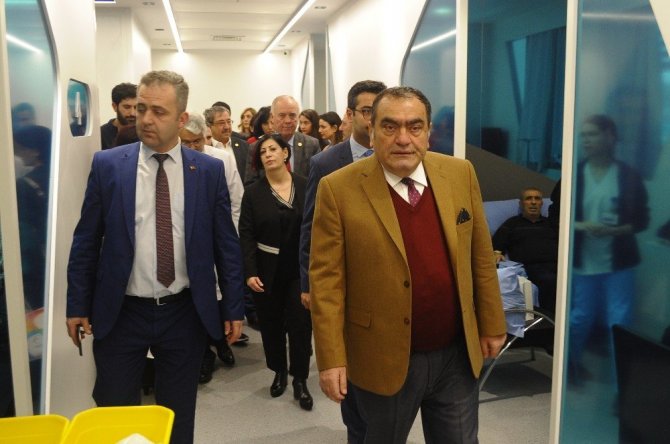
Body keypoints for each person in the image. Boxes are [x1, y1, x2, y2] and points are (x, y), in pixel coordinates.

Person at [309, 86, 507, 443]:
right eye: (390, 126)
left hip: (456, 354)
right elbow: (326, 284)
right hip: (381, 356)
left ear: (428, 132)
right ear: (372, 131)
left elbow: (479, 255)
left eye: (415, 127)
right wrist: (331, 358)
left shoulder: (459, 173)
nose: (403, 138)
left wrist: (492, 323)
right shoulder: (338, 189)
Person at [66, 70, 245, 444]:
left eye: (159, 112)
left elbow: (225, 245)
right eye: (142, 109)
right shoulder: (108, 165)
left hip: (183, 311)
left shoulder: (208, 171)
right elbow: (86, 239)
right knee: (115, 415)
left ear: (182, 118)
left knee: (176, 415)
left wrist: (232, 306)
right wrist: (77, 303)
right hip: (122, 311)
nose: (146, 119)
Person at [299, 79, 386, 442]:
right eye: (367, 111)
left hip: (387, 286)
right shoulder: (326, 162)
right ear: (350, 114)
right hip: (344, 284)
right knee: (353, 381)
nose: (374, 120)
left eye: (380, 112)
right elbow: (310, 228)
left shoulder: (396, 157)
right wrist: (308, 284)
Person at [568, 114, 649, 385]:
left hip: (619, 262)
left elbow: (642, 220)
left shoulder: (627, 176)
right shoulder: (575, 174)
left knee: (619, 322)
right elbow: (559, 215)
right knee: (580, 318)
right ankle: (571, 368)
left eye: (592, 134)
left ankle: (621, 387)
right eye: (583, 135)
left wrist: (615, 231)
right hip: (584, 261)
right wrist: (581, 225)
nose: (586, 140)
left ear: (610, 137)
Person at [238, 133, 313, 411]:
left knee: (300, 325)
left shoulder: (305, 185)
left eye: (273, 149)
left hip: (299, 270)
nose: (268, 154)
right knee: (271, 324)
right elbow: (246, 234)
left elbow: (317, 227)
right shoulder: (253, 192)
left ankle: (300, 379)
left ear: (285, 153)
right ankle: (279, 371)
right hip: (266, 270)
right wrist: (249, 272)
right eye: (262, 152)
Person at [179, 113, 244, 382]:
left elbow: (236, 201)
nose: (192, 147)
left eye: (197, 141)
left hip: (218, 239)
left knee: (218, 298)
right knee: (199, 300)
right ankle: (205, 352)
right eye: (186, 142)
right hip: (191, 246)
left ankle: (222, 343)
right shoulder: (176, 163)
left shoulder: (221, 160)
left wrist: (230, 238)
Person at [492, 187, 559, 313]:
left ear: (541, 203)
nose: (533, 202)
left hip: (558, 265)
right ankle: (550, 320)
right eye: (529, 199)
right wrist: (497, 253)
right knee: (550, 281)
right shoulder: (512, 224)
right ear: (521, 203)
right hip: (531, 267)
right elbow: (496, 244)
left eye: (537, 199)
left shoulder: (551, 224)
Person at [244, 95, 320, 183]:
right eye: (282, 115)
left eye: (292, 115)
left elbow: (317, 181)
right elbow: (250, 184)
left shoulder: (311, 144)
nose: (287, 121)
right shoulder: (256, 147)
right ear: (272, 117)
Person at [204, 105, 251, 184]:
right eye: (221, 123)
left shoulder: (244, 146)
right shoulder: (205, 149)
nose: (227, 127)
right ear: (210, 126)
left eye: (229, 122)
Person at [100, 82, 137, 150]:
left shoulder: (144, 133)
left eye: (136, 107)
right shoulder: (100, 134)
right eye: (127, 107)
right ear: (114, 106)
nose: (133, 113)